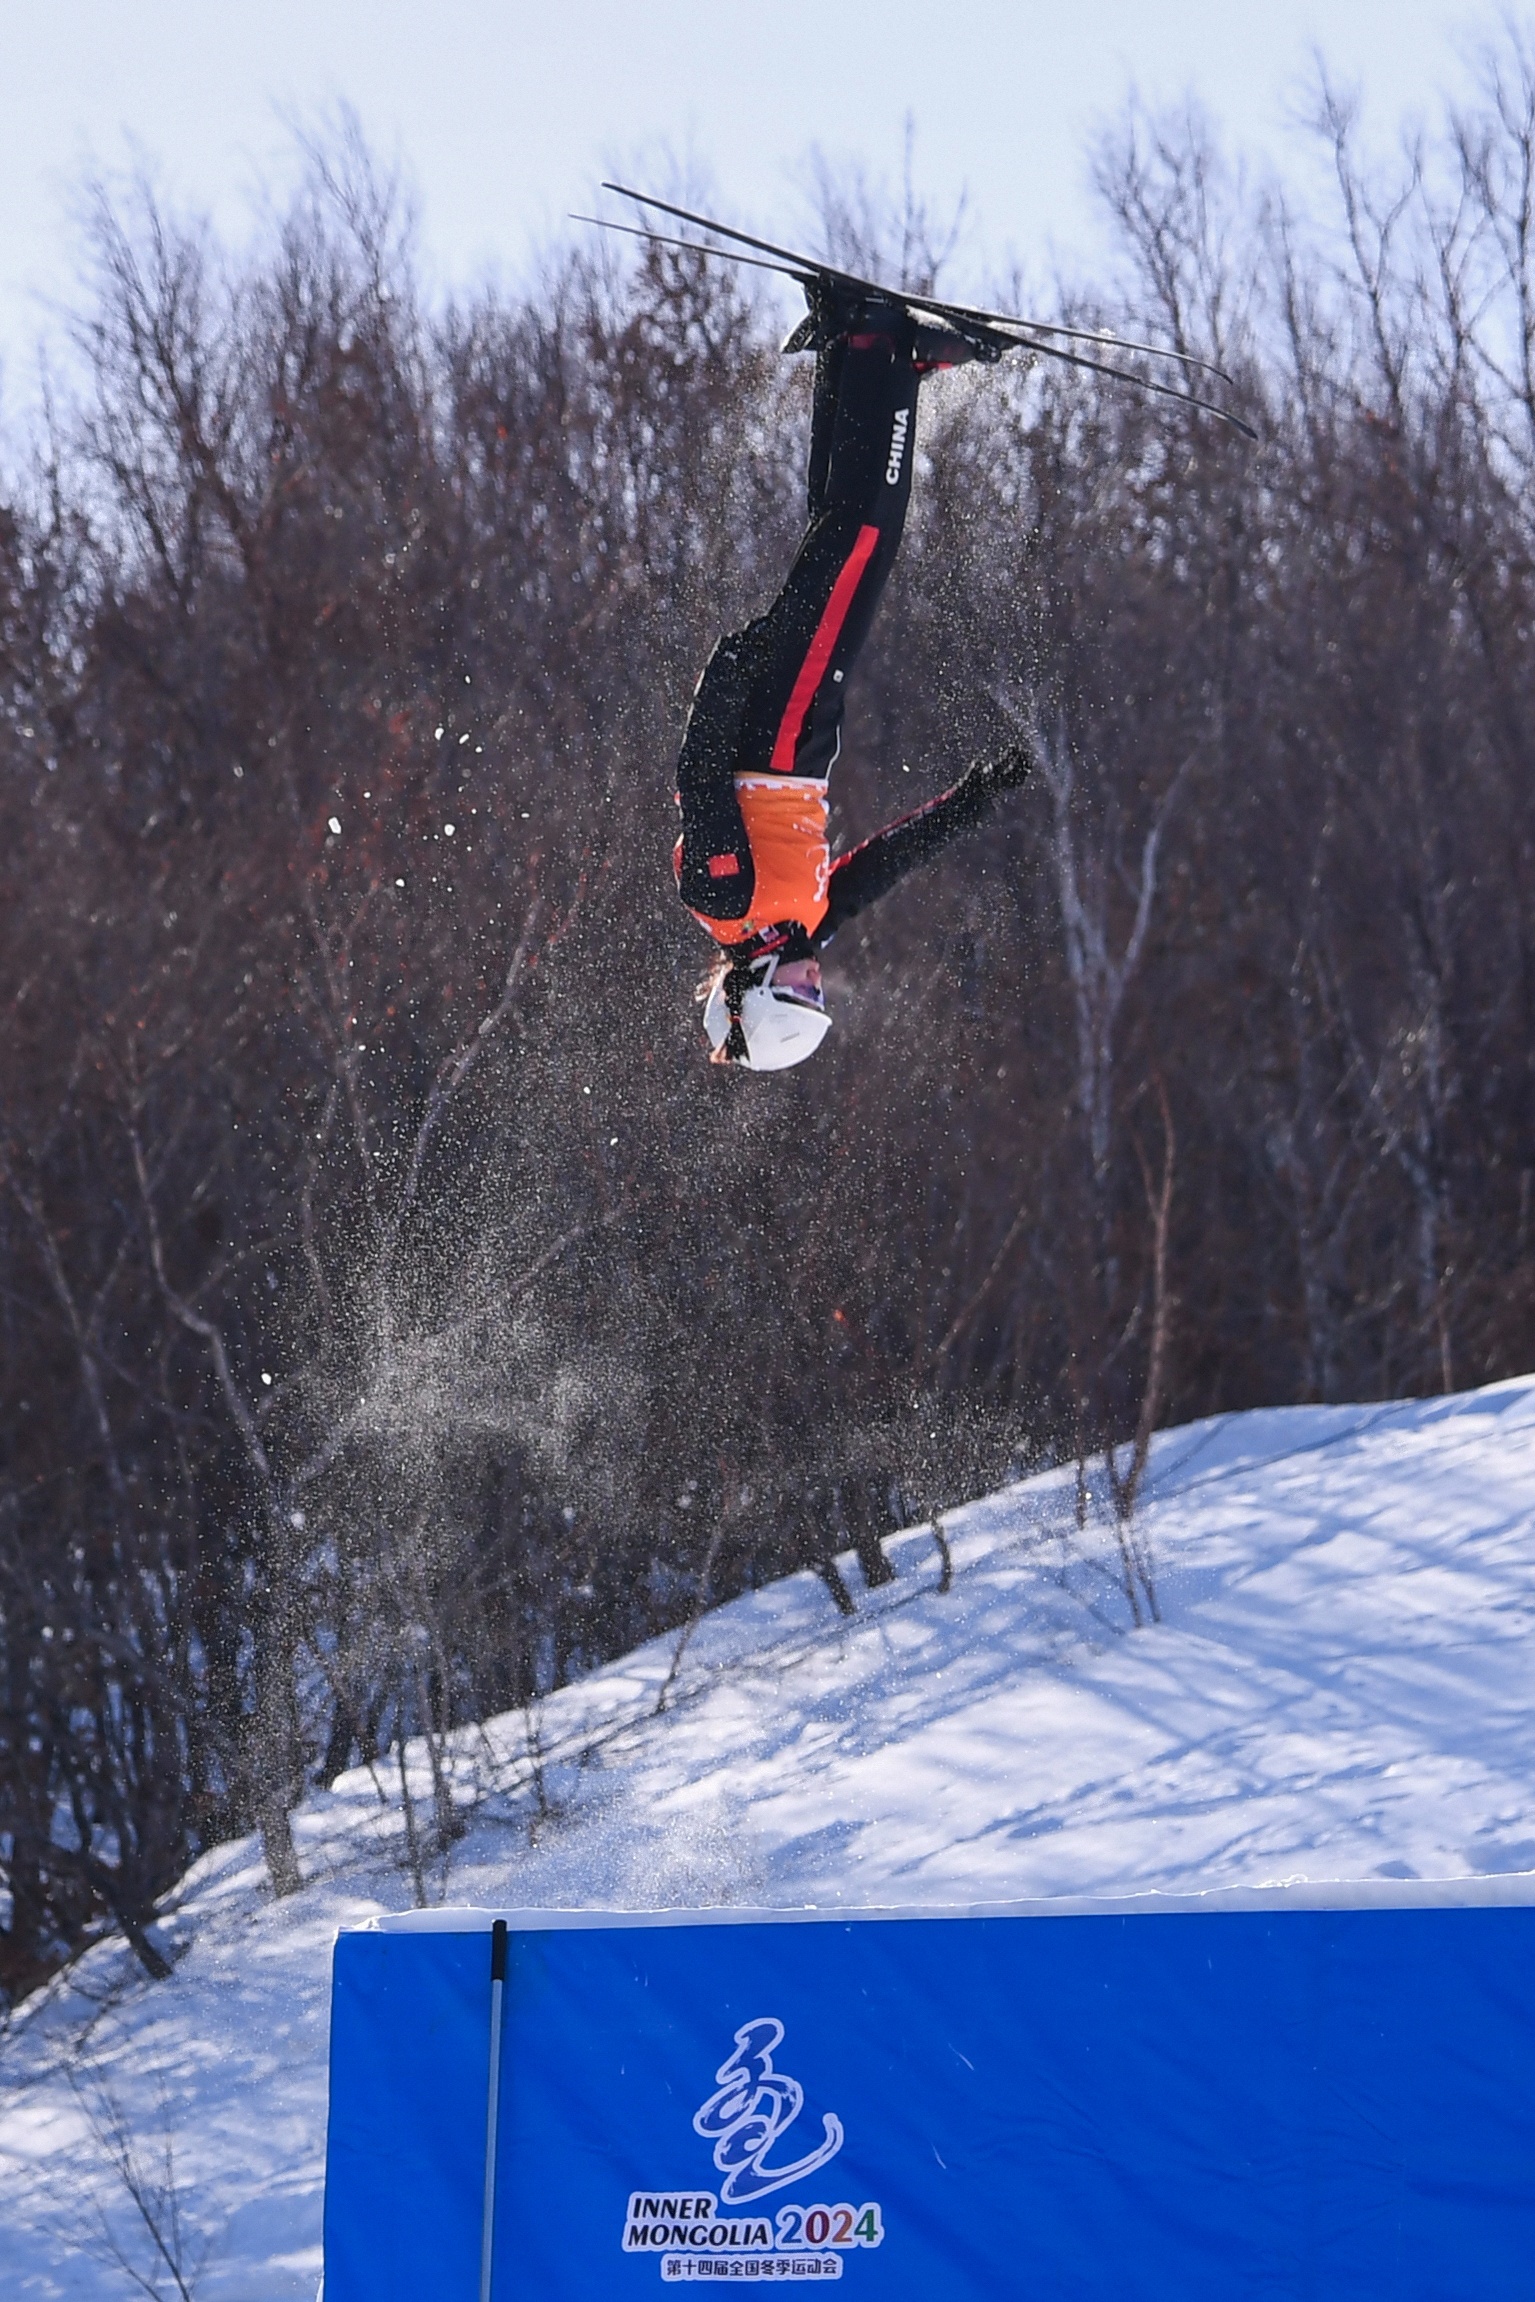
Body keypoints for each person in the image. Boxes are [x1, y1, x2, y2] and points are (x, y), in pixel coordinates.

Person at [673, 282, 1032, 1069]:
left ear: (763, 990)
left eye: (803, 996)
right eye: (818, 998)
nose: (817, 984)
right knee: (837, 533)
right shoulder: (800, 925)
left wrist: (731, 665)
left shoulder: (724, 901)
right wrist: (971, 803)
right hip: (802, 729)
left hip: (778, 725)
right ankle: (849, 349)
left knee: (862, 537)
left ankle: (885, 352)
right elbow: (882, 867)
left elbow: (698, 777)